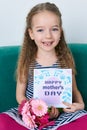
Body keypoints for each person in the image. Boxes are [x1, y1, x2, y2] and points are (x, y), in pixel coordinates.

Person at [0, 2, 87, 130]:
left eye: (54, 29)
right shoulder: (28, 62)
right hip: (32, 117)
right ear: (31, 33)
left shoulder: (65, 61)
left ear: (60, 32)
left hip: (61, 117)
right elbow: (20, 95)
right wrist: (34, 110)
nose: (48, 36)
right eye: (40, 30)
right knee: (3, 122)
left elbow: (74, 91)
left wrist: (80, 105)